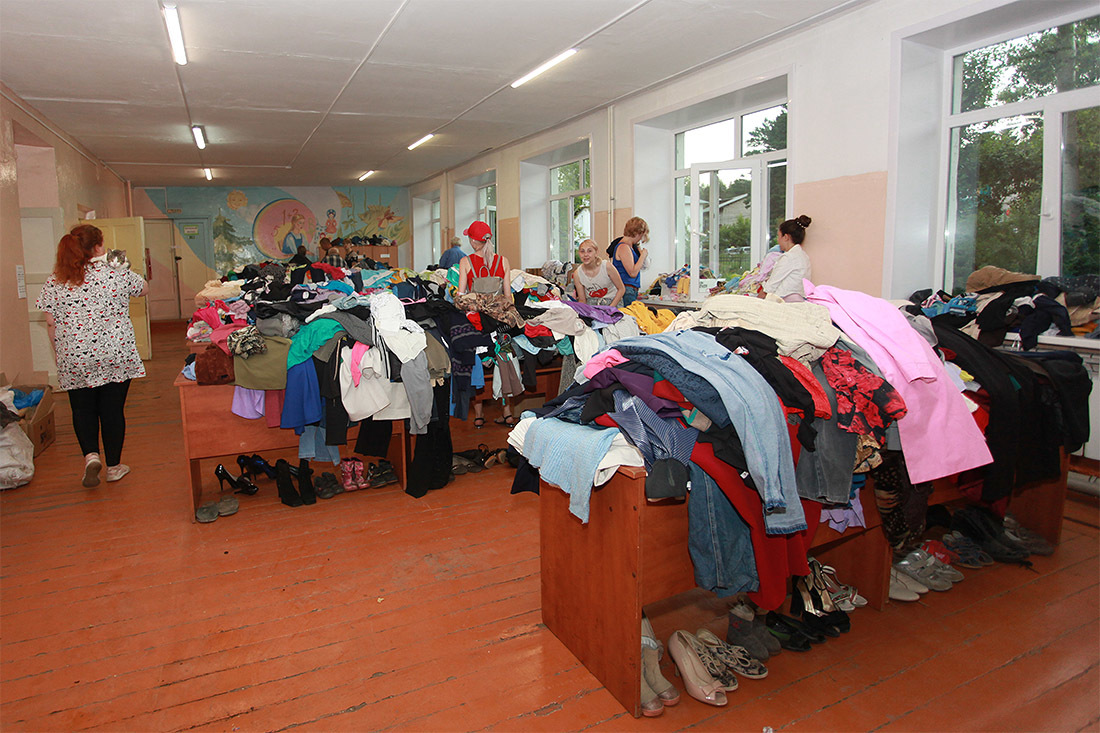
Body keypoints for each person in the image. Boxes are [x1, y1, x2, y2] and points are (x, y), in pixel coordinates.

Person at [34, 224, 148, 487]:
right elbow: (143, 289)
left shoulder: (57, 279)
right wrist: (121, 266)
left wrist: (59, 353)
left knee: (82, 409)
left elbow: (51, 323)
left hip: (75, 356)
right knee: (112, 411)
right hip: (115, 353)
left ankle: (90, 456)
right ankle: (115, 467)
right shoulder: (115, 273)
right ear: (98, 247)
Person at [455, 221, 516, 427]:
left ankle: (479, 415)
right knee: (504, 363)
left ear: (473, 241)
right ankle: (507, 413)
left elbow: (461, 296)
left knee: (477, 366)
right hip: (499, 323)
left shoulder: (466, 262)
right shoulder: (503, 261)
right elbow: (509, 297)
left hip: (477, 323)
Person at [762, 215, 813, 302]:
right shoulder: (803, 256)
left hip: (783, 302)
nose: (778, 240)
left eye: (779, 236)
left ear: (786, 237)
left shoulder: (789, 258)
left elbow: (769, 288)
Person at [607, 216, 649, 306]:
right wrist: (642, 256)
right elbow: (632, 273)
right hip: (627, 289)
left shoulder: (630, 247)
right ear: (639, 233)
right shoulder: (623, 247)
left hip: (630, 289)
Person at [573, 239, 626, 307]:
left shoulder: (607, 267)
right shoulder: (577, 274)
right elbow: (582, 300)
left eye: (589, 251)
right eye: (582, 251)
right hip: (592, 306)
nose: (585, 254)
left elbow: (621, 289)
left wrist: (610, 308)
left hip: (613, 303)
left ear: (596, 252)